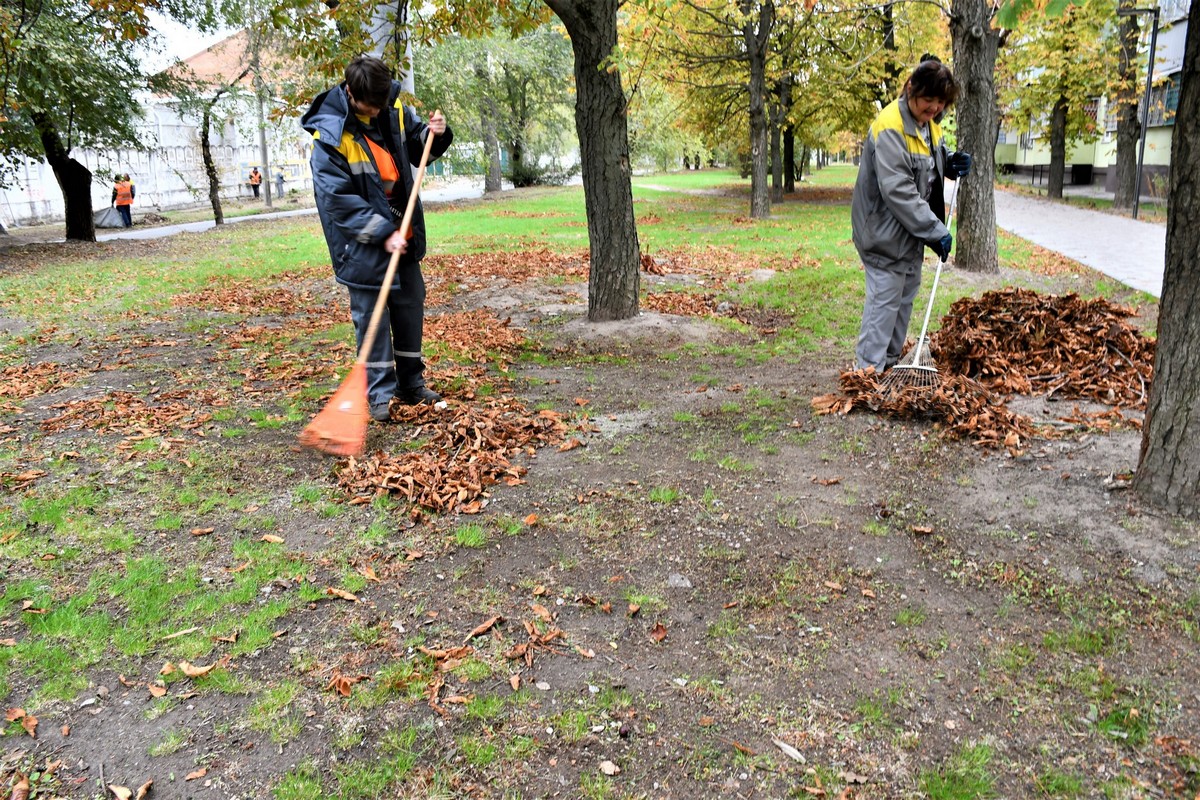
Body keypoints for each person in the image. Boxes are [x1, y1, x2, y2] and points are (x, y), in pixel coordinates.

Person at [301, 55, 453, 423]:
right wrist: (382, 233)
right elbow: (339, 202)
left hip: (403, 233)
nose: (376, 111)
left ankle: (411, 384)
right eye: (369, 106)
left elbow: (419, 149)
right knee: (372, 318)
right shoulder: (330, 137)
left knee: (410, 303)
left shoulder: (393, 110)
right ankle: (380, 393)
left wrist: (436, 133)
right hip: (363, 245)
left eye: (381, 105)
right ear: (351, 93)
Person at [850, 58, 972, 373]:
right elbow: (900, 191)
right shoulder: (889, 125)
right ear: (910, 89)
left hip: (908, 235)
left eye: (940, 103)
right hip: (883, 232)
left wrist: (950, 161)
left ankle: (888, 367)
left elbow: (928, 162)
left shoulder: (930, 125)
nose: (934, 108)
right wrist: (936, 231)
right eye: (928, 100)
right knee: (884, 303)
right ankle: (867, 373)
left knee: (903, 301)